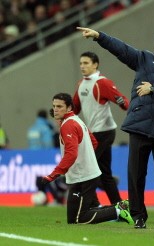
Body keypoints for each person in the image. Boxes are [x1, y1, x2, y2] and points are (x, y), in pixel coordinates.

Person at [76, 26, 154, 229]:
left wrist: (153, 88)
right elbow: (121, 49)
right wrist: (100, 36)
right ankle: (138, 216)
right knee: (136, 175)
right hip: (139, 127)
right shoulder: (144, 59)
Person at [41, 92, 133, 225]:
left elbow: (71, 154)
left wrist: (52, 176)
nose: (55, 109)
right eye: (54, 106)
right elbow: (94, 142)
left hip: (83, 177)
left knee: (80, 218)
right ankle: (120, 207)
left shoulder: (68, 125)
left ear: (69, 108)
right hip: (83, 174)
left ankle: (117, 211)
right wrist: (86, 159)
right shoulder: (77, 120)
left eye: (60, 106)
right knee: (73, 220)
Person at [72, 51, 129, 206]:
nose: (82, 66)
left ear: (95, 64)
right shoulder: (81, 84)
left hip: (104, 132)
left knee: (87, 168)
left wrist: (122, 102)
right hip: (94, 133)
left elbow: (123, 101)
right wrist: (63, 113)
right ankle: (119, 207)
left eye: (86, 63)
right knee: (105, 173)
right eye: (81, 63)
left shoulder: (102, 82)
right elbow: (75, 108)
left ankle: (93, 204)